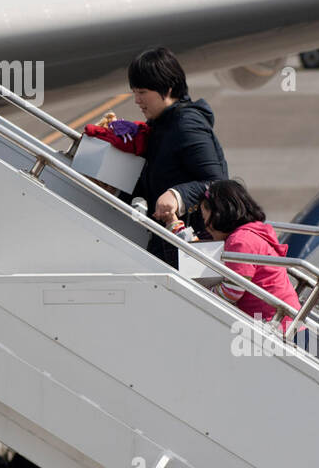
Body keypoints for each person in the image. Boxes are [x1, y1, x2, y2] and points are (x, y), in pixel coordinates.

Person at [127, 47, 228, 265]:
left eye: (142, 92)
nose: (136, 100)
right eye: (134, 92)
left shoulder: (186, 125)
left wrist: (177, 195)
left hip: (193, 246)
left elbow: (217, 183)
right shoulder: (160, 125)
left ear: (168, 87)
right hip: (169, 243)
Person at [195, 180, 300, 331]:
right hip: (285, 319)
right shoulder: (254, 231)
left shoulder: (240, 241)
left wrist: (201, 291)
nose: (206, 228)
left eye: (206, 221)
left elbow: (232, 291)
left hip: (275, 324)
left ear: (220, 214)